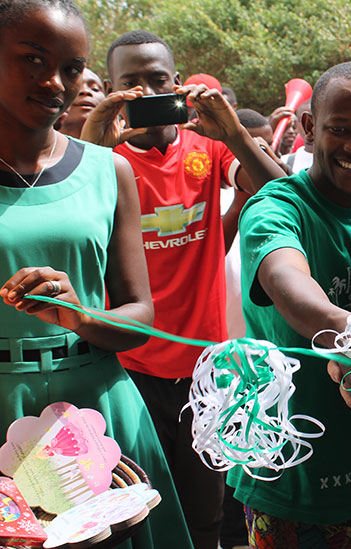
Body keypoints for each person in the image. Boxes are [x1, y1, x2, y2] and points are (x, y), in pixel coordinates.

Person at [81, 29, 285, 549]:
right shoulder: (102, 162)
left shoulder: (208, 149)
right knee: (137, 511)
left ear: (177, 82)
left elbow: (278, 190)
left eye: (157, 80)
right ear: (112, 89)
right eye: (131, 83)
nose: (147, 93)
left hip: (205, 372)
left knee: (207, 517)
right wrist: (88, 149)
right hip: (132, 372)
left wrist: (235, 133)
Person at [0, 1, 193, 547]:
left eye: (71, 67)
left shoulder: (110, 170)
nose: (55, 82)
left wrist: (77, 314)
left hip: (100, 416)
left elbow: (141, 316)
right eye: (33, 59)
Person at [229, 61, 351, 548]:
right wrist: (347, 325)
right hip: (292, 480)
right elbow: (286, 279)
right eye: (340, 129)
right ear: (309, 127)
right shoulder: (275, 208)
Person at [55, 68, 105, 138]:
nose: (85, 91)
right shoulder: (36, 147)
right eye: (74, 87)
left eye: (95, 88)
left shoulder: (122, 147)